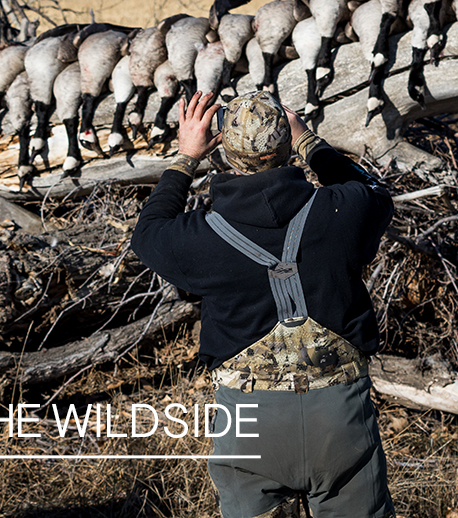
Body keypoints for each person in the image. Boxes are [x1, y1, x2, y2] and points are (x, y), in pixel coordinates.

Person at [130, 89, 395, 518]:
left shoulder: (200, 238)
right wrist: (309, 140)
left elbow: (147, 234)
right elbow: (373, 191)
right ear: (288, 147)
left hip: (249, 423)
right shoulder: (342, 210)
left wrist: (185, 157)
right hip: (340, 416)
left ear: (226, 153)